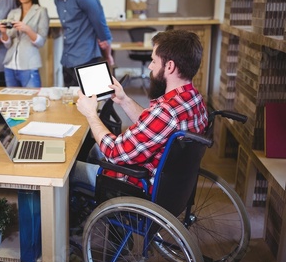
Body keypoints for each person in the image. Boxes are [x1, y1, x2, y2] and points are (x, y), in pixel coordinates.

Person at [70, 30, 208, 192]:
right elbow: (153, 125)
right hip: (172, 186)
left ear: (169, 66)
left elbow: (115, 152)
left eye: (154, 61)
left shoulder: (166, 112)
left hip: (136, 183)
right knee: (94, 150)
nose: (149, 66)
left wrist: (91, 114)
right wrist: (123, 100)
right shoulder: (194, 99)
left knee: (69, 170)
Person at [33, 0, 114, 87]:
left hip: (87, 60)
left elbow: (101, 28)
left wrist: (108, 56)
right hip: (67, 61)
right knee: (70, 103)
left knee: (92, 103)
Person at [0, 0, 49, 87]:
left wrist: (27, 29)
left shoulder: (40, 11)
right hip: (9, 65)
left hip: (29, 65)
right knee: (12, 102)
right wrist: (3, 33)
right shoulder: (13, 12)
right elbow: (8, 45)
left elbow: (41, 42)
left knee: (32, 101)